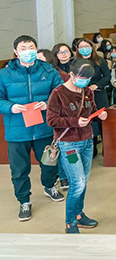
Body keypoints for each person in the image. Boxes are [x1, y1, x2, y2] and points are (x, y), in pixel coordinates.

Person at [0, 35, 65, 221]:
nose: (27, 51)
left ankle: (49, 186)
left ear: (36, 50)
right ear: (16, 52)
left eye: (31, 47)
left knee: (49, 162)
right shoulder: (4, 74)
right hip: (17, 130)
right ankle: (24, 201)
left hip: (43, 127)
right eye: (23, 48)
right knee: (19, 169)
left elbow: (60, 94)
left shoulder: (49, 70)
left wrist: (48, 104)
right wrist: (10, 107)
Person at [47, 59, 107, 233]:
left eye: (88, 79)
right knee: (78, 182)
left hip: (87, 141)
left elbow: (91, 111)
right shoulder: (58, 93)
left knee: (83, 181)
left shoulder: (87, 91)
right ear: (71, 74)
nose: (85, 81)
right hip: (69, 145)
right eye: (82, 77)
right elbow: (51, 120)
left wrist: (99, 116)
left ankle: (79, 215)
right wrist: (74, 121)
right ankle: (70, 221)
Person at [75, 38, 111, 156]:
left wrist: (97, 85)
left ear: (92, 47)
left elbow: (107, 76)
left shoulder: (99, 60)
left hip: (98, 93)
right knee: (88, 120)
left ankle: (106, 148)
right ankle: (92, 148)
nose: (84, 49)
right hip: (82, 94)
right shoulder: (75, 62)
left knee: (102, 121)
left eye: (87, 46)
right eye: (81, 47)